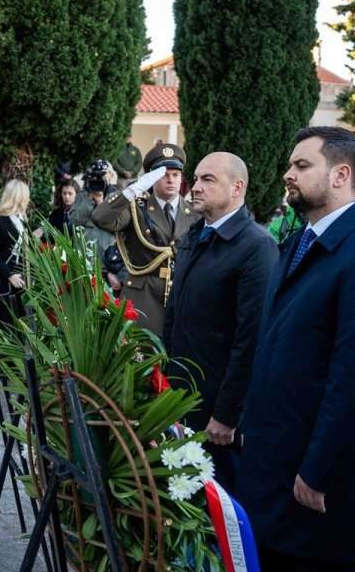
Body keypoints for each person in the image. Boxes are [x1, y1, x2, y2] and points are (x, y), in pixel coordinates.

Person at [239, 126, 355, 572]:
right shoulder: (301, 242)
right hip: (277, 462)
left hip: (316, 482)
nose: (287, 175)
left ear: (340, 175)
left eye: (301, 165)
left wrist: (320, 470)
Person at [163, 152, 276, 489]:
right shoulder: (194, 237)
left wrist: (228, 414)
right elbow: (176, 319)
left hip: (216, 414)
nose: (194, 187)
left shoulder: (257, 247)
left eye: (207, 180)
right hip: (180, 398)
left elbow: (251, 340)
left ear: (237, 187)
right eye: (195, 179)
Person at [91, 143, 200, 336]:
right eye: (164, 174)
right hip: (144, 295)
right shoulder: (136, 208)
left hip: (182, 294)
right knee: (143, 356)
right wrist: (133, 190)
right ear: (151, 177)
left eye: (176, 174)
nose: (171, 180)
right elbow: (101, 218)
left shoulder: (194, 213)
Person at [0, 180, 41, 325]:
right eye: (26, 196)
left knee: (22, 323)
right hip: (4, 281)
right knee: (8, 324)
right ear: (19, 197)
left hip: (23, 279)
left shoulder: (22, 221)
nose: (28, 200)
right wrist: (9, 274)